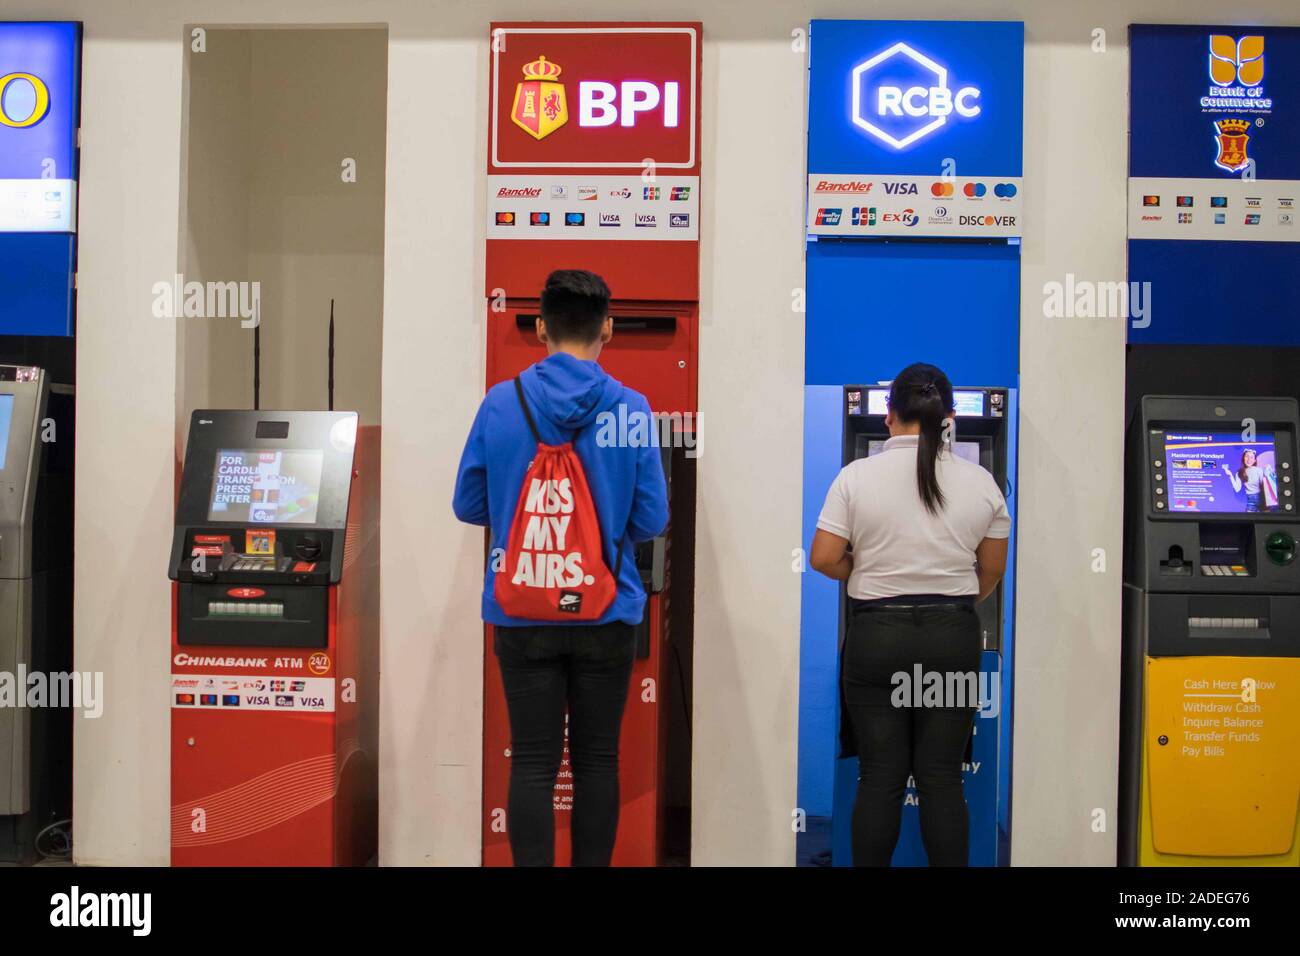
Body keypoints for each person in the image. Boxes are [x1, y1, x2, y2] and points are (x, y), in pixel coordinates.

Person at [453, 269, 669, 866]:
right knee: (598, 759)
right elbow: (651, 518)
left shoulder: (500, 403)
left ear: (541, 327)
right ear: (608, 328)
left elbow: (467, 504)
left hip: (523, 612)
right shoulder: (632, 409)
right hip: (608, 612)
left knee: (532, 762)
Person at [809, 363, 1010, 866]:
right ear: (950, 415)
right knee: (943, 778)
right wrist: (949, 596)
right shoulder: (982, 482)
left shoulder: (855, 477)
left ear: (889, 414)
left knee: (879, 777)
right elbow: (990, 572)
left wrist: (869, 570)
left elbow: (824, 557)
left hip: (878, 638)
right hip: (951, 641)